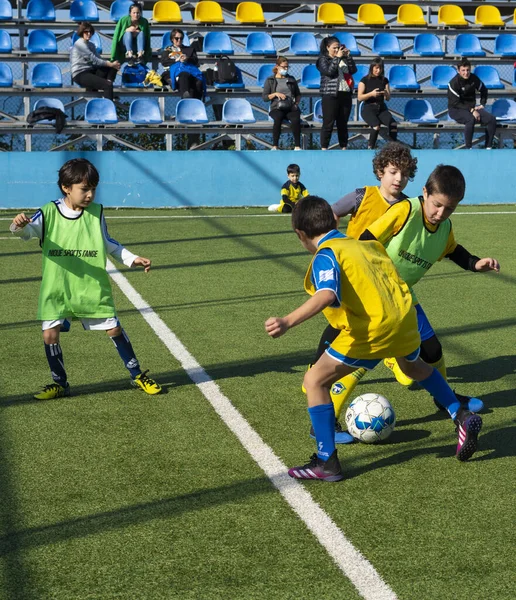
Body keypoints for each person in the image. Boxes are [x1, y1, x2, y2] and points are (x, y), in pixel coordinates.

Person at [265, 196, 484, 481]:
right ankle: (460, 415)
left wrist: (286, 321)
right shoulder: (365, 245)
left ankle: (326, 463)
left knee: (314, 381)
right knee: (413, 368)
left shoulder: (326, 254)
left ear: (300, 235)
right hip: (405, 319)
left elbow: (327, 294)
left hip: (373, 329)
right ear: (337, 221)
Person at [9, 159, 162, 400]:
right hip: (57, 288)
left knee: (113, 328)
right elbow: (28, 232)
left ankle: (136, 374)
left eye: (93, 188)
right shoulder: (48, 212)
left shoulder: (96, 213)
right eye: (84, 189)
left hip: (90, 286)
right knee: (50, 335)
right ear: (66, 187)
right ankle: (59, 384)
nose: (90, 195)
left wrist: (132, 259)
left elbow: (108, 243)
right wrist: (18, 226)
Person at [316, 36, 357, 151]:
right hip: (330, 94)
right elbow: (329, 72)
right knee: (328, 123)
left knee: (343, 123)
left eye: (339, 48)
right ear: (327, 47)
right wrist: (337, 58)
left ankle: (343, 147)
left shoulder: (343, 58)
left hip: (345, 93)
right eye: (334, 48)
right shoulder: (322, 60)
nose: (337, 50)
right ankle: (324, 148)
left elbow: (353, 70)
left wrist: (348, 57)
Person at [448, 57, 496, 149]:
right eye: (463, 70)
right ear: (458, 70)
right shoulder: (453, 83)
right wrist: (472, 110)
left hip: (472, 109)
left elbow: (484, 90)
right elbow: (456, 103)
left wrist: (482, 104)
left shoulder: (474, 78)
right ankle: (468, 148)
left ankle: (488, 148)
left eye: (468, 70)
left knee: (491, 119)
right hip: (456, 109)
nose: (466, 73)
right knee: (470, 119)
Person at [70, 22, 120, 101]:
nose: (89, 34)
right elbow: (94, 60)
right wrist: (110, 64)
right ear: (82, 32)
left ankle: (106, 90)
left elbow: (99, 59)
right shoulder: (79, 44)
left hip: (91, 71)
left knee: (114, 66)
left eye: (90, 32)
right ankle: (108, 106)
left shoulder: (91, 45)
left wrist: (112, 64)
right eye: (86, 32)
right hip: (80, 74)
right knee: (108, 85)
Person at [262, 56, 302, 151]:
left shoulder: (291, 79)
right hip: (277, 107)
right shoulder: (270, 80)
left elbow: (298, 94)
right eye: (284, 67)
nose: (286, 69)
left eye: (287, 67)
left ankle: (297, 146)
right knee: (278, 118)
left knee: (296, 119)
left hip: (290, 107)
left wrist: (296, 103)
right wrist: (275, 94)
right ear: (277, 67)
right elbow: (265, 97)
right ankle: (275, 145)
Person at [357, 57, 397, 149]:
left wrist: (386, 93)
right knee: (376, 126)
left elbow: (388, 98)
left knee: (393, 124)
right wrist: (371, 94)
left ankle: (394, 146)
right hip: (368, 108)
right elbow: (360, 97)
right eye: (376, 68)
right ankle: (370, 146)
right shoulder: (364, 80)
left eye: (380, 68)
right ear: (372, 67)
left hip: (381, 108)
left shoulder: (385, 80)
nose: (378, 71)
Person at [160, 29, 205, 99]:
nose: (179, 40)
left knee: (198, 81)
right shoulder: (167, 50)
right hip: (174, 72)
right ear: (172, 39)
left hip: (188, 71)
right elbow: (164, 62)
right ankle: (185, 98)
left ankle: (196, 102)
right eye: (176, 38)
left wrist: (187, 59)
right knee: (184, 75)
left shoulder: (189, 50)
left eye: (181, 38)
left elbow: (195, 60)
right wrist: (177, 60)